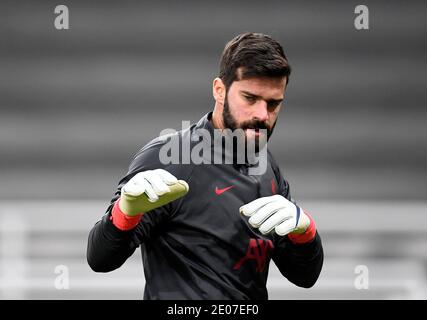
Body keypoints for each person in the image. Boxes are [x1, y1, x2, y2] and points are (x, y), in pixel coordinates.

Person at [87, 32, 323, 300]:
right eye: (250, 98)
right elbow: (100, 259)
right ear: (219, 90)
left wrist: (305, 231)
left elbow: (304, 277)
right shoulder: (169, 157)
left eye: (273, 104)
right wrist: (125, 212)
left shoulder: (268, 167)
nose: (262, 115)